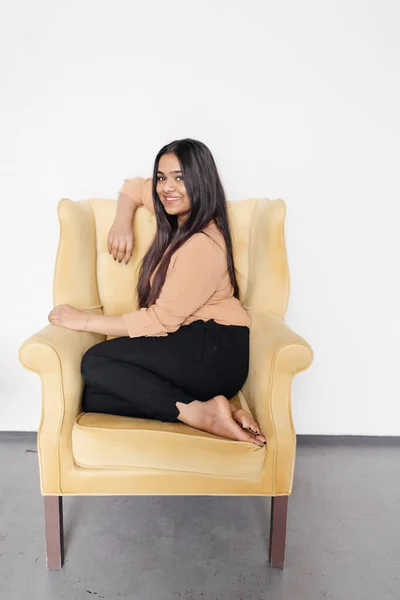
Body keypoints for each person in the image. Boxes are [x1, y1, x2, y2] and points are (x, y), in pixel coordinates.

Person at [48, 138, 266, 447]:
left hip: (216, 350)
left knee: (95, 361)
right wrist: (122, 222)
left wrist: (83, 321)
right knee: (95, 396)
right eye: (162, 177)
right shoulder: (179, 214)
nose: (166, 187)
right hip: (194, 344)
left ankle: (201, 415)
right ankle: (218, 409)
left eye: (179, 177)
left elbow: (160, 321)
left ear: (201, 180)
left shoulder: (202, 243)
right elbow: (134, 187)